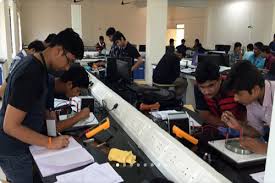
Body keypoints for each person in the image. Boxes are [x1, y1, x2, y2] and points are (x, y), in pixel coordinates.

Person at [0, 28, 84, 182]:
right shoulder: (30, 72)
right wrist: (50, 142)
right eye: (69, 61)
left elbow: (47, 111)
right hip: (14, 150)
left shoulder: (43, 69)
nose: (67, 68)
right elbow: (10, 126)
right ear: (59, 50)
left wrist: (54, 135)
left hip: (28, 144)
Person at [222, 61, 275, 154]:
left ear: (255, 90)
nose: (235, 99)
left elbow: (265, 148)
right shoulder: (251, 101)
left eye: (238, 94)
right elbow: (257, 132)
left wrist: (266, 149)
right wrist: (239, 126)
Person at [194, 59, 246, 137]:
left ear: (220, 79)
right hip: (216, 130)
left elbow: (247, 119)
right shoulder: (197, 88)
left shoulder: (235, 88)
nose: (206, 91)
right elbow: (205, 116)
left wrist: (236, 126)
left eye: (211, 85)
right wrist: (228, 124)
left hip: (240, 133)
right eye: (202, 87)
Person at [47, 65, 90, 132]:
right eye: (77, 91)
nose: (77, 95)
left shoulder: (50, 82)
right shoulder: (45, 89)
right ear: (69, 84)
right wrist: (80, 116)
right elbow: (52, 129)